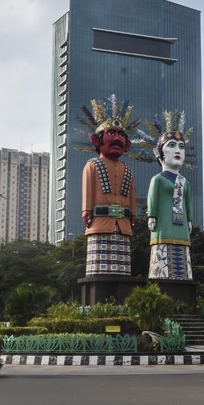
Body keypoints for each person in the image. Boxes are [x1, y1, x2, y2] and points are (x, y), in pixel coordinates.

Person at [80, 95, 138, 277]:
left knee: (123, 268)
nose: (118, 139)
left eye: (121, 135)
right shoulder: (92, 165)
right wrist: (86, 210)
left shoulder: (127, 169)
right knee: (99, 270)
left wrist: (133, 215)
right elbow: (88, 191)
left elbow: (132, 198)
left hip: (123, 225)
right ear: (98, 140)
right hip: (100, 223)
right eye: (111, 134)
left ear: (127, 144)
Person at [146, 112, 194, 280]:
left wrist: (189, 220)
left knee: (183, 252)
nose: (177, 150)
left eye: (181, 147)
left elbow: (188, 203)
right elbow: (152, 198)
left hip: (181, 224)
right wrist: (151, 215)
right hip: (163, 223)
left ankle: (183, 278)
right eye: (172, 145)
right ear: (160, 153)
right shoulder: (158, 179)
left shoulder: (184, 181)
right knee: (162, 251)